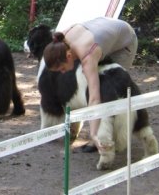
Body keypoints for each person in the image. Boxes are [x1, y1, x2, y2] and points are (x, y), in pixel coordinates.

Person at [42, 17, 138, 151]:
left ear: (69, 57)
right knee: (92, 79)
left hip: (125, 41)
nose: (63, 73)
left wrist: (93, 134)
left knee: (110, 88)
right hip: (105, 30)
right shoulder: (61, 41)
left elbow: (94, 98)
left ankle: (105, 136)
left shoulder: (88, 56)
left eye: (62, 69)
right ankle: (102, 132)